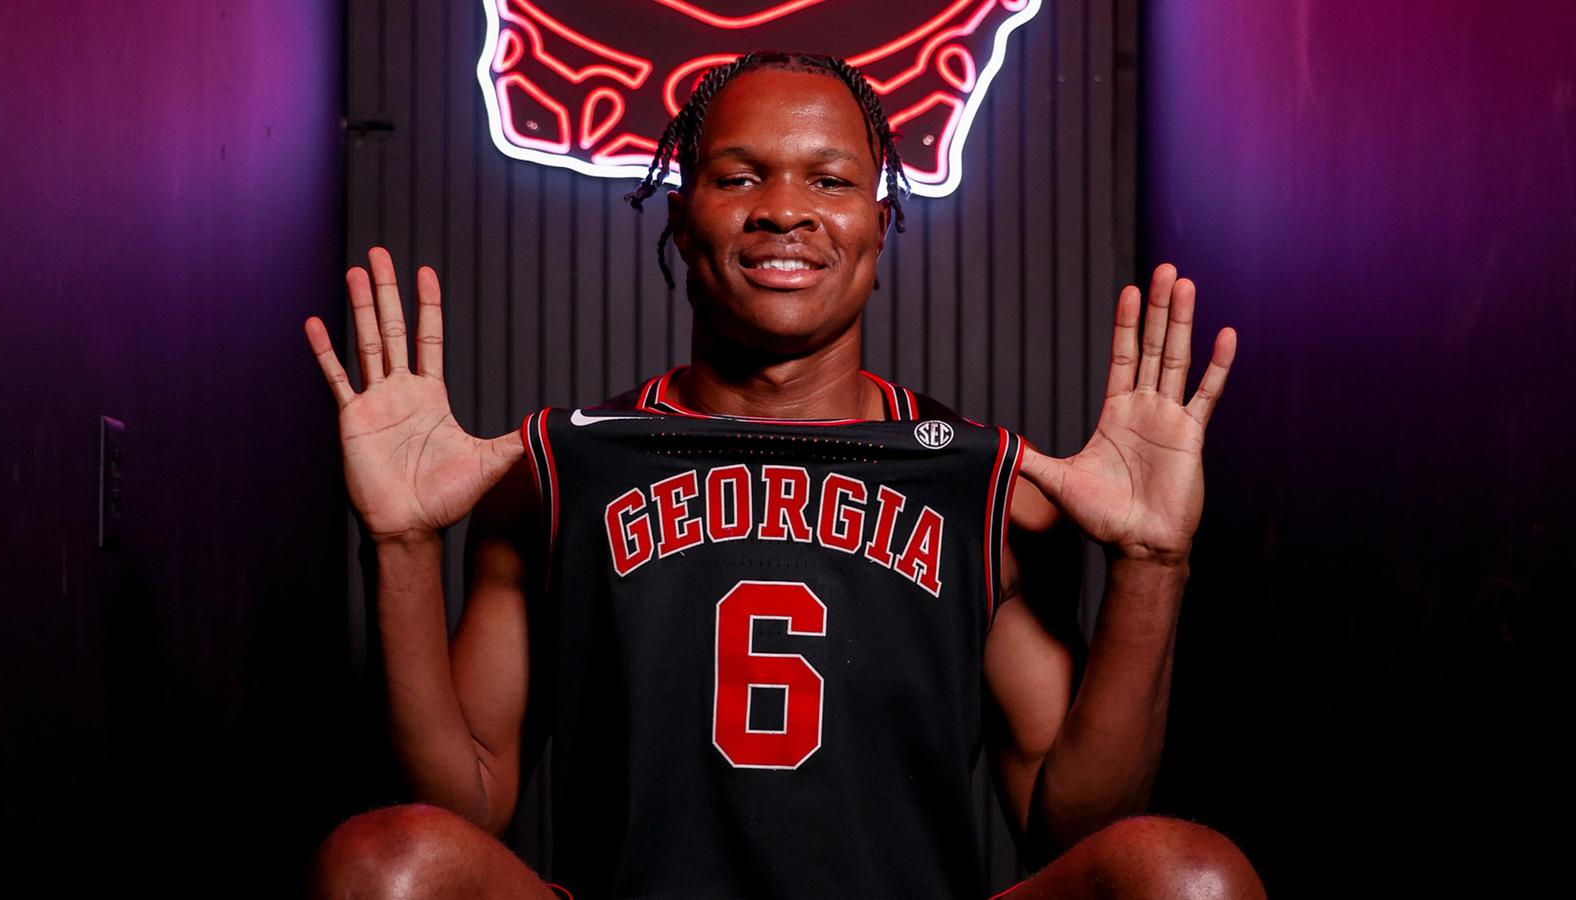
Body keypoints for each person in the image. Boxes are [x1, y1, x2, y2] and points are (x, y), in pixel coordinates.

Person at [302, 51, 1264, 899]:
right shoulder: (559, 470)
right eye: (740, 176)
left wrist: (1151, 565)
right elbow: (461, 805)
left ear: (881, 227)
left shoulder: (990, 493)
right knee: (380, 863)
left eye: (831, 180)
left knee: (1187, 876)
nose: (786, 211)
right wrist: (401, 547)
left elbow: (1071, 831)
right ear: (680, 220)